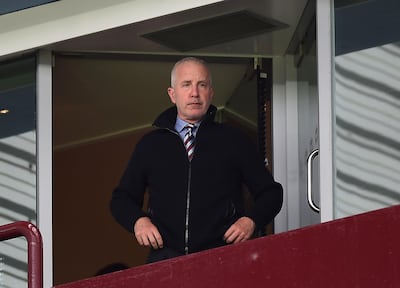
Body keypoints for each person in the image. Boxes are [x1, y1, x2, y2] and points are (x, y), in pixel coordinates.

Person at [110, 57, 283, 263]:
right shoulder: (150, 145)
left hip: (223, 259)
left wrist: (251, 221)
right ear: (172, 94)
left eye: (202, 85)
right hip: (165, 261)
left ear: (211, 93)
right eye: (186, 85)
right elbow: (121, 199)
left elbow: (271, 193)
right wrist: (138, 221)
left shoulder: (234, 140)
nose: (195, 93)